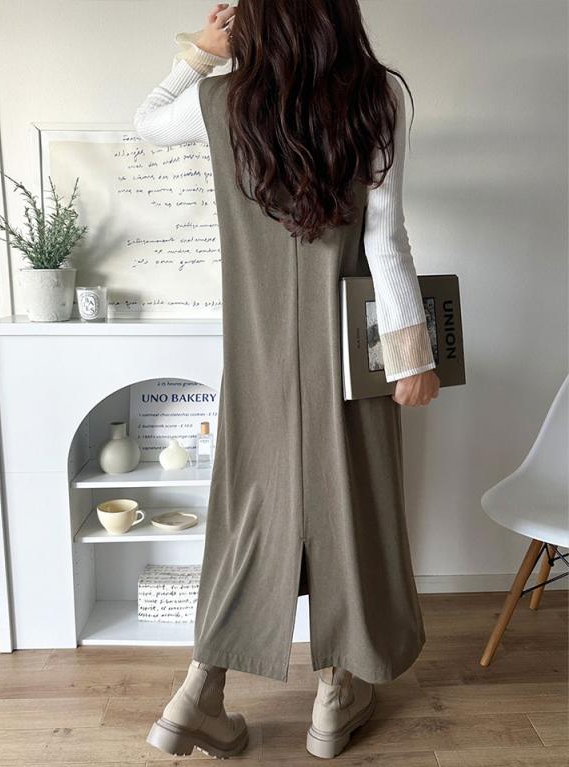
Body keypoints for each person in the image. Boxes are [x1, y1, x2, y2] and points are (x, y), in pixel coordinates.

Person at [133, 1, 440, 760]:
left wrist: (200, 53)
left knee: (252, 513)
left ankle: (198, 692)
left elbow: (148, 121)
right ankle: (335, 696)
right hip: (350, 355)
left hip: (258, 355)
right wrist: (412, 357)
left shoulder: (222, 101)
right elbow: (386, 239)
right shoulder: (377, 97)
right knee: (350, 507)